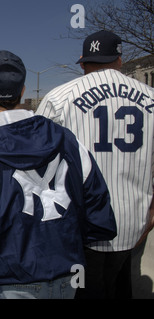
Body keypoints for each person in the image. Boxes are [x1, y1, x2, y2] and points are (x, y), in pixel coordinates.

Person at [0, 50, 117, 299]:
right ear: (23, 91)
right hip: (68, 273)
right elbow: (97, 199)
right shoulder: (67, 139)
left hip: (10, 278)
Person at [35, 30, 154, 299]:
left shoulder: (59, 97)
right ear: (120, 60)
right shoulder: (150, 97)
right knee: (121, 286)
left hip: (80, 225)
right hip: (134, 221)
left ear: (84, 62)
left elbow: (39, 166)